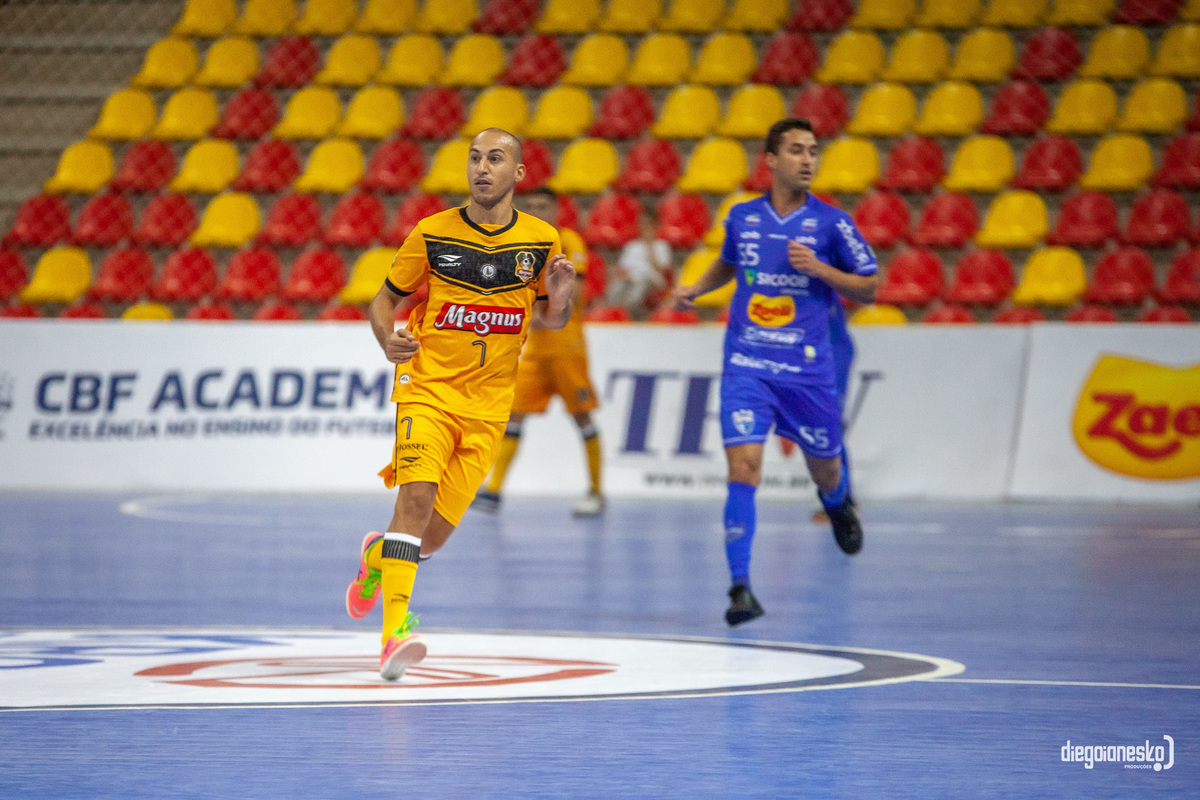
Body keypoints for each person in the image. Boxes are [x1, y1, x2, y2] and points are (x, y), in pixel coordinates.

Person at [345, 128, 576, 680]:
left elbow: (550, 318)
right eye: (474, 158)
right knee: (415, 499)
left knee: (431, 538)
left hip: (489, 406)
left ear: (518, 173)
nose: (482, 168)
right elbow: (384, 299)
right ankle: (394, 635)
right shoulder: (432, 233)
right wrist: (387, 338)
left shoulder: (542, 240)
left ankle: (378, 556)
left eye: (495, 159)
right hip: (427, 389)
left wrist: (562, 298)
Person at [671, 118, 880, 627]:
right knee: (743, 469)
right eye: (796, 150)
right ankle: (740, 588)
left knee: (826, 469)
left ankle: (837, 503)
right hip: (747, 363)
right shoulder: (742, 217)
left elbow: (870, 288)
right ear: (770, 159)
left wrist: (820, 270)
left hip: (806, 371)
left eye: (813, 151)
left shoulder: (832, 224)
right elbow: (729, 263)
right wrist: (697, 289)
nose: (807, 160)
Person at [472, 187, 606, 517]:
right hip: (534, 348)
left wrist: (535, 309)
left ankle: (596, 491)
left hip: (566, 346)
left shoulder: (568, 242)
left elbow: (573, 292)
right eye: (530, 206)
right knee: (514, 414)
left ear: (557, 209)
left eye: (543, 206)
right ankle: (494, 491)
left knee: (582, 416)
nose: (536, 211)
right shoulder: (522, 246)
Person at [605, 208, 672, 312]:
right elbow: (622, 269)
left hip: (652, 279)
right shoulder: (632, 246)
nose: (644, 228)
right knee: (617, 283)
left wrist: (649, 246)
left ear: (655, 226)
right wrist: (624, 275)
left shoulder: (661, 246)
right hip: (631, 277)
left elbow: (662, 271)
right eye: (642, 224)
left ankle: (627, 311)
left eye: (647, 225)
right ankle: (611, 310)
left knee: (640, 283)